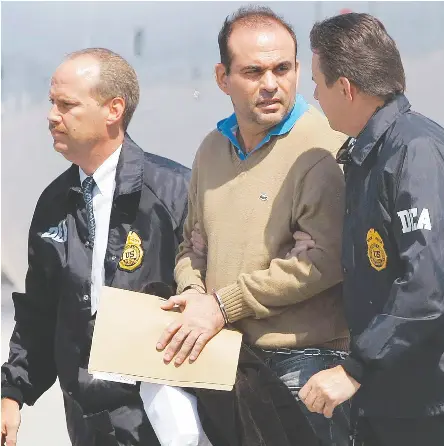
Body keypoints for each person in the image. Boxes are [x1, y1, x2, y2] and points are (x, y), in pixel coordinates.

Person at [156, 6, 351, 445]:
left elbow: (321, 260)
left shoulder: (321, 148)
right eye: (253, 71)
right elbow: (192, 243)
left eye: (282, 69)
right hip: (227, 360)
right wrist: (192, 297)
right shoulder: (211, 149)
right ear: (222, 77)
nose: (270, 84)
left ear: (299, 70)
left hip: (304, 367)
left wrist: (222, 305)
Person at [299, 12, 444, 446]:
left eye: (317, 82)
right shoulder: (373, 156)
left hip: (442, 404)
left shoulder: (418, 152)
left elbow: (428, 285)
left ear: (346, 87)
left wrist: (357, 367)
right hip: (397, 398)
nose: (313, 95)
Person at [1, 48, 190, 446]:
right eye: (52, 103)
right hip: (87, 421)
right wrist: (12, 392)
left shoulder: (174, 194)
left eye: (67, 105)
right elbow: (40, 312)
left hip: (163, 418)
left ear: (113, 110)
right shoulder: (54, 202)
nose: (53, 116)